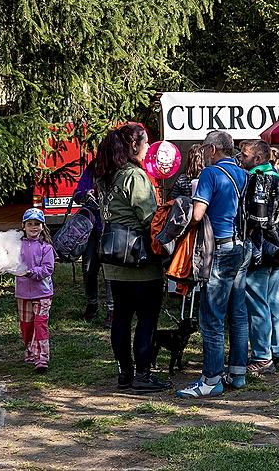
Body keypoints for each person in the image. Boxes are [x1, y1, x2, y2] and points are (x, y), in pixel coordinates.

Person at [94, 122, 170, 393]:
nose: (149, 147)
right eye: (146, 142)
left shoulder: (106, 175)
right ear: (133, 145)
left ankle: (124, 375)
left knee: (121, 318)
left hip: (114, 261)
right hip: (140, 260)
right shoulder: (134, 177)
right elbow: (151, 220)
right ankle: (143, 375)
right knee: (147, 318)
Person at [177, 130, 250, 398]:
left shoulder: (210, 174)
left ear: (212, 149)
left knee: (212, 318)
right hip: (242, 248)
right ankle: (238, 373)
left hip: (219, 250)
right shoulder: (244, 174)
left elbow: (196, 215)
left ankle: (210, 380)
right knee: (238, 313)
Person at [240, 139, 279, 376]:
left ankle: (262, 356)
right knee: (276, 304)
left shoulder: (256, 179)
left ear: (258, 159)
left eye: (244, 156)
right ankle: (278, 351)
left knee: (258, 304)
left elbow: (257, 220)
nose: (241, 159)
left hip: (261, 250)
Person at [73, 158, 113, 326]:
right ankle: (92, 304)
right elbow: (76, 195)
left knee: (110, 272)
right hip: (91, 229)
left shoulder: (118, 171)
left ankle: (112, 310)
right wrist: (85, 194)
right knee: (89, 268)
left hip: (110, 228)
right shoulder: (91, 171)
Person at [16, 208, 55, 373]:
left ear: (42, 226)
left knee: (40, 325)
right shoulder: (16, 245)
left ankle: (42, 359)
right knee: (26, 326)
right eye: (30, 224)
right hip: (22, 293)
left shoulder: (46, 247)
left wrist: (31, 272)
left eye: (37, 224)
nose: (33, 227)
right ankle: (31, 352)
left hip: (43, 293)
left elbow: (48, 268)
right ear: (23, 226)